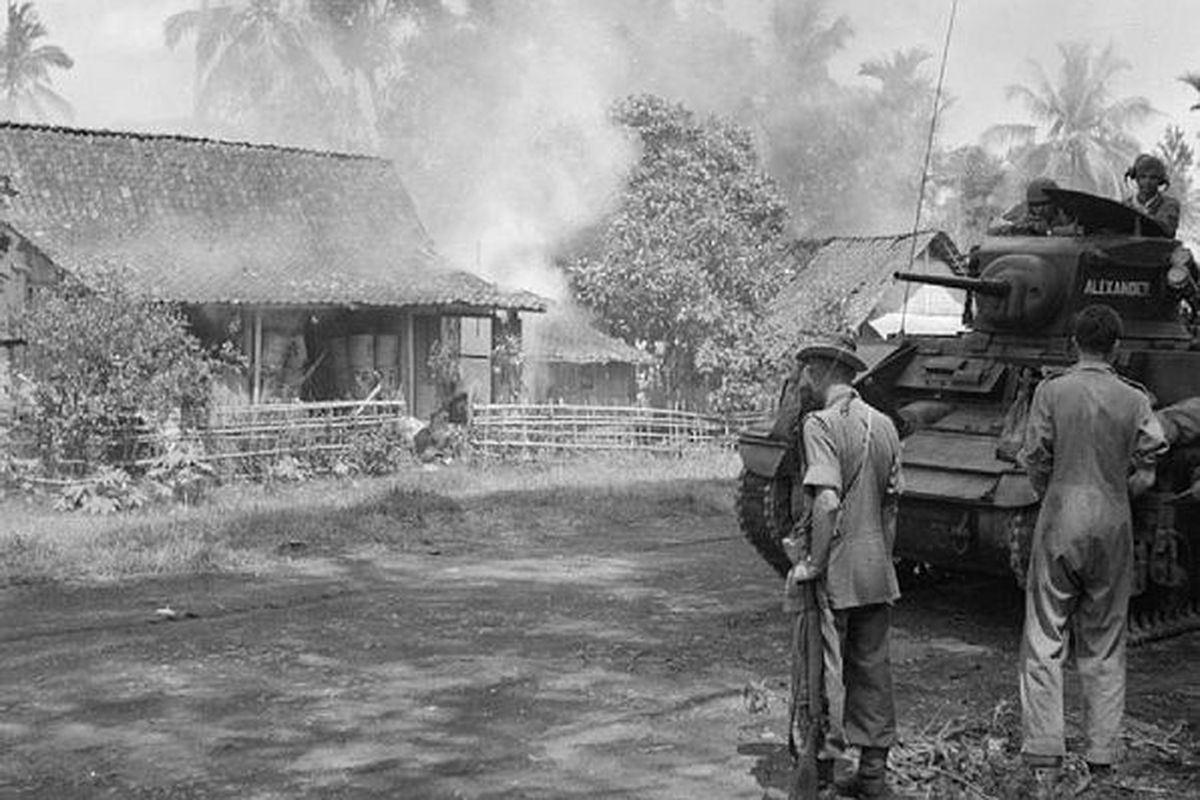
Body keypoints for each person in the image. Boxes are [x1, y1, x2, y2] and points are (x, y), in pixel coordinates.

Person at [1016, 304, 1168, 790]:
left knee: (1044, 636)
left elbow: (1034, 454)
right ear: (1117, 347)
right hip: (1113, 519)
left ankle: (1044, 752)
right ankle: (1101, 756)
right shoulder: (1134, 398)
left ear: (1073, 344)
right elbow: (1152, 454)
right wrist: (1122, 489)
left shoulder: (1052, 390)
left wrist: (1052, 492)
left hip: (1060, 514)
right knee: (1104, 640)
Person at [784, 335, 903, 799]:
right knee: (873, 670)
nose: (800, 383)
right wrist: (879, 557)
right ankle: (873, 774)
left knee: (822, 671)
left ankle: (826, 775)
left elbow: (828, 500)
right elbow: (893, 507)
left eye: (802, 375)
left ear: (815, 372)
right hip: (876, 571)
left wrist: (813, 562)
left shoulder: (820, 424)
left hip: (835, 573)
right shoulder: (886, 426)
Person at [989, 177, 1077, 236]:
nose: (1039, 210)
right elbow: (1002, 227)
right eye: (1035, 206)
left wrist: (1050, 231)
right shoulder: (1026, 213)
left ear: (1054, 203)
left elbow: (1076, 231)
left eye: (1043, 205)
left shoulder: (1067, 213)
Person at [1122, 153, 1181, 237]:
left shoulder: (1169, 204)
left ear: (1160, 181)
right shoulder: (1126, 205)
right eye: (1143, 177)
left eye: (1153, 178)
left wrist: (1137, 216)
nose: (1147, 182)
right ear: (1137, 179)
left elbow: (1167, 230)